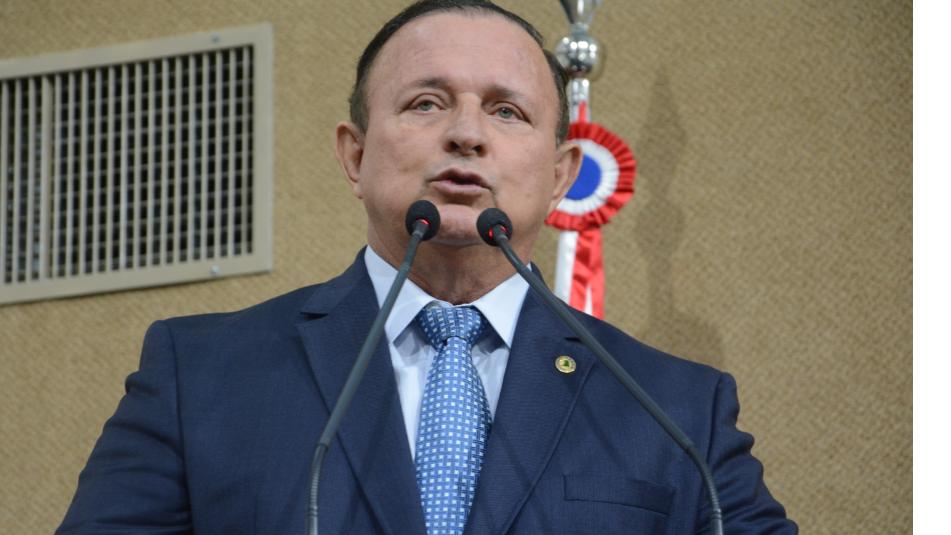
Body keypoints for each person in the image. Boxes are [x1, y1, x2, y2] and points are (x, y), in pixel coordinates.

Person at [58, 1, 797, 533]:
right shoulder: (200, 374)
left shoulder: (675, 410)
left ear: (560, 176)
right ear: (354, 154)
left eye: (507, 112)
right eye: (426, 103)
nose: (467, 134)